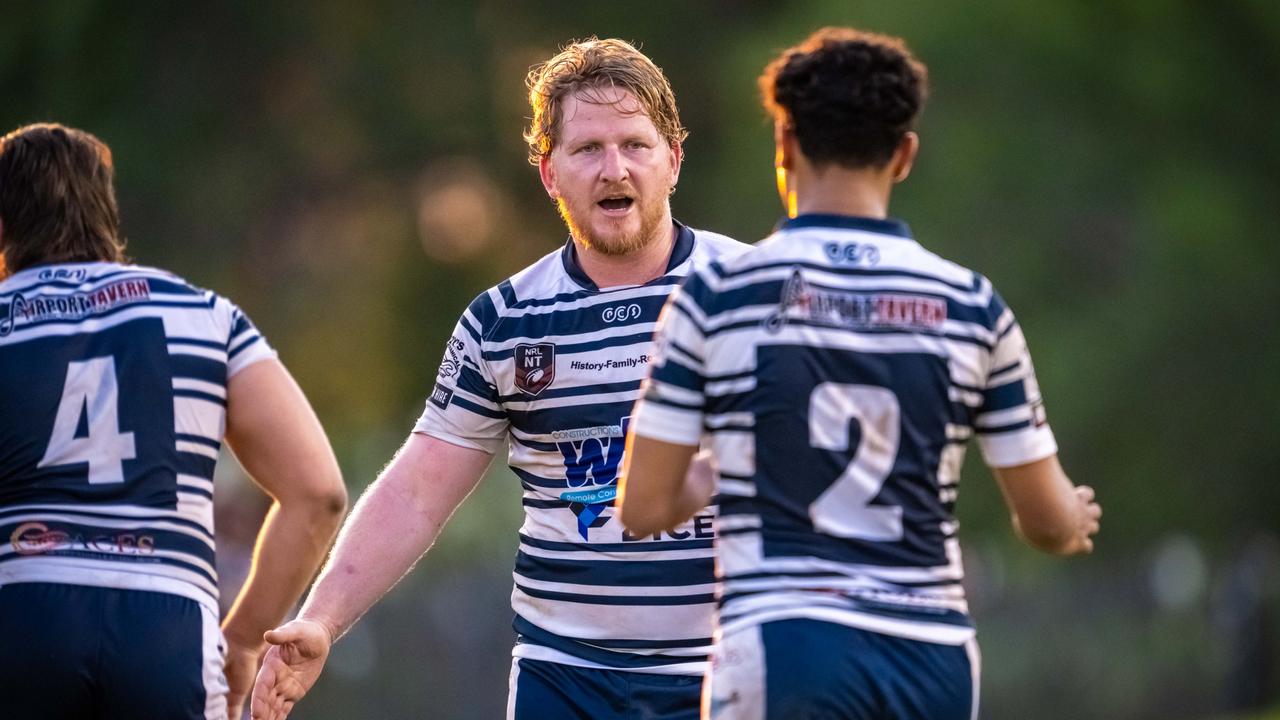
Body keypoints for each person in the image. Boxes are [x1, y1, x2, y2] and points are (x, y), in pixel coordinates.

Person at [251, 39, 746, 720]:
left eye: (635, 144)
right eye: (587, 149)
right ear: (549, 174)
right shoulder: (504, 321)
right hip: (566, 678)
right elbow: (417, 491)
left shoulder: (758, 292)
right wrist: (322, 619)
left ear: (673, 161)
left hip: (731, 672)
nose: (614, 169)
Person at [618, 27, 1103, 720]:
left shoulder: (719, 294)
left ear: (783, 147)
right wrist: (1073, 517)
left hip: (784, 646)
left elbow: (643, 507)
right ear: (904, 155)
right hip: (930, 659)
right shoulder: (971, 307)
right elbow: (1047, 520)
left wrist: (733, 458)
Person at [0, 123, 348, 720]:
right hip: (168, 627)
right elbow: (318, 494)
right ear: (106, 209)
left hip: (22, 611)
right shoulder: (206, 316)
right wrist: (241, 643)